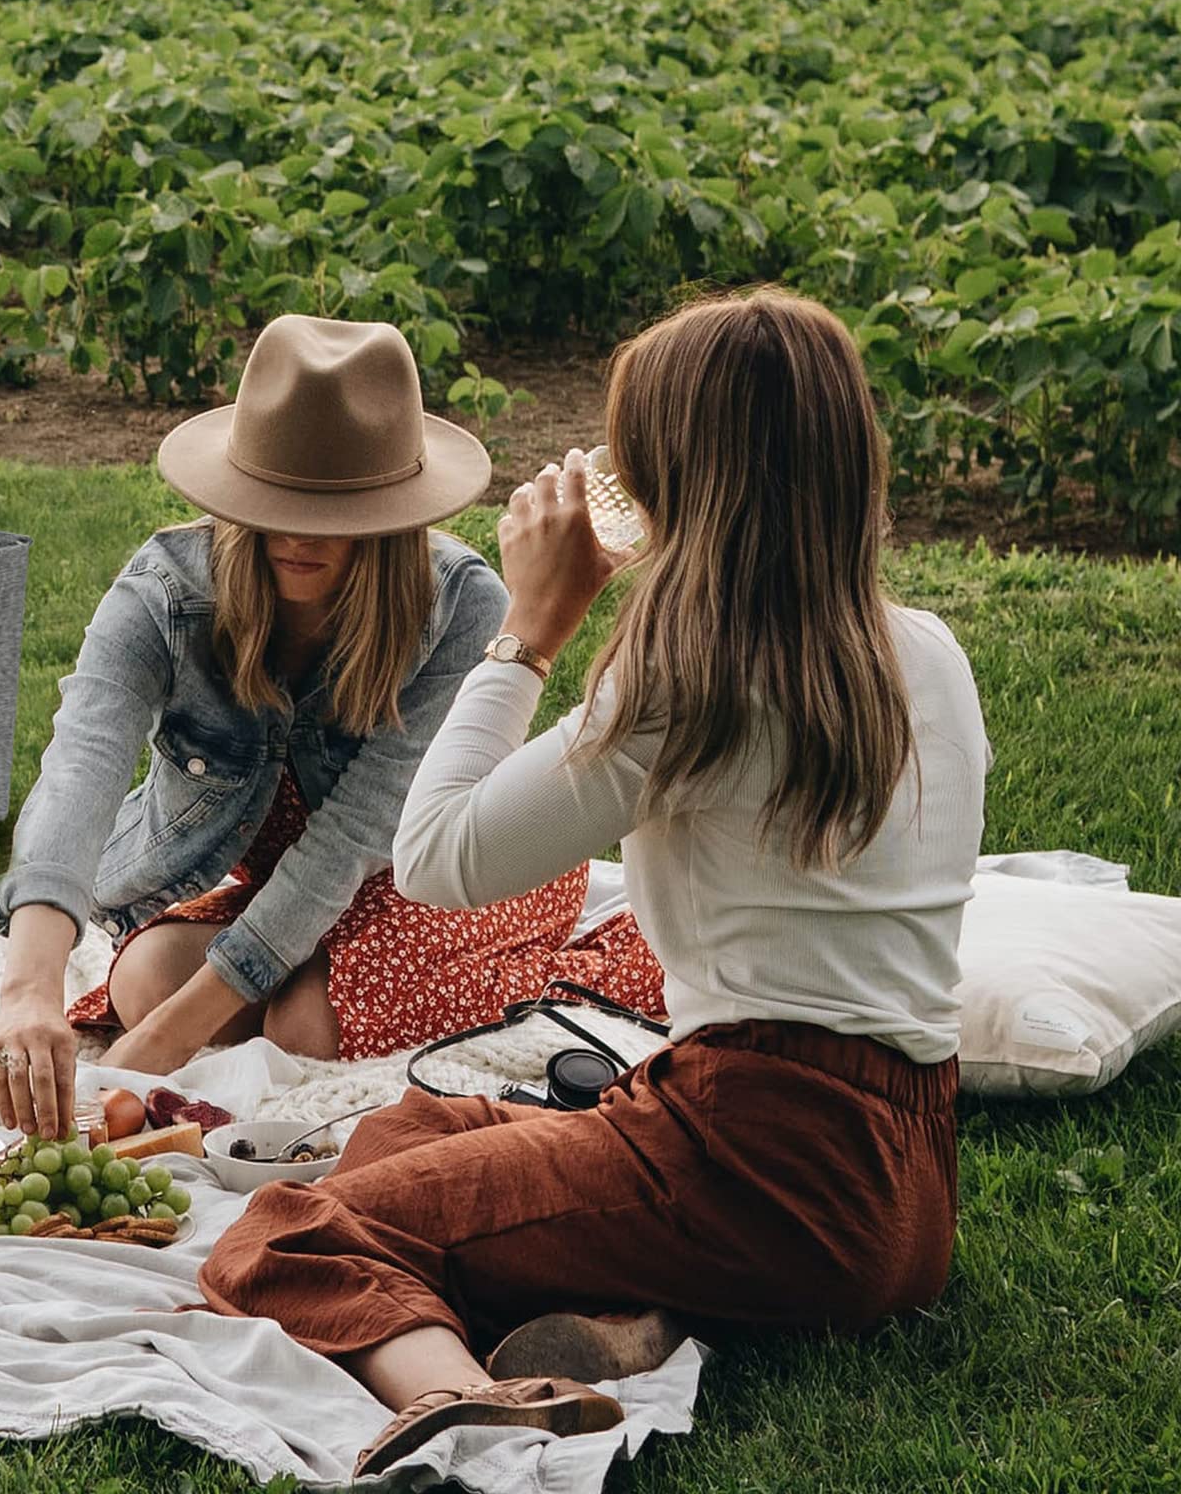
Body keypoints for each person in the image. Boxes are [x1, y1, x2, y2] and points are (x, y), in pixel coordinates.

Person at [200, 289, 991, 1477]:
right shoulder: (925, 651)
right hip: (906, 1182)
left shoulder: (683, 684)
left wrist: (528, 625)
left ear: (677, 482)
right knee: (405, 1129)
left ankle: (469, 1398)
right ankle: (642, 1315)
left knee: (296, 1227)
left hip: (750, 1157)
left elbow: (434, 856)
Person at [0, 313, 667, 1139]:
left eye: (337, 514)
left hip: (431, 864)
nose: (300, 534)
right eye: (274, 502)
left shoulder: (457, 606)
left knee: (303, 1025)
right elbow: (80, 770)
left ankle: (559, 970)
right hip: (288, 887)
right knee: (144, 981)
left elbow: (352, 841)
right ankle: (302, 970)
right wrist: (29, 985)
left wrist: (164, 1045)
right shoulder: (164, 596)